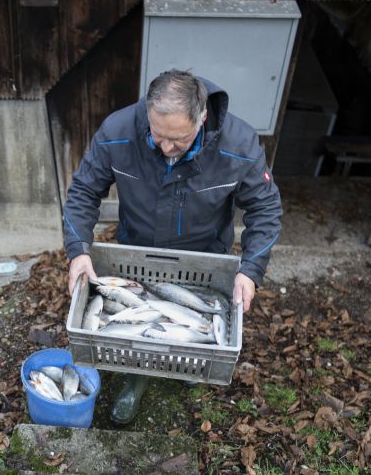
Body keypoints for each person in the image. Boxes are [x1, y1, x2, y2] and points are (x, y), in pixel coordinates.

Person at [63, 69, 282, 424]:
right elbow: (84, 191)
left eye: (178, 140)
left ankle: (190, 365)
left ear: (202, 118)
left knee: (197, 329)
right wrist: (78, 251)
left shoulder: (239, 145)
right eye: (157, 135)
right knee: (142, 334)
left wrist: (250, 270)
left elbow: (265, 207)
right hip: (137, 249)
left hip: (205, 255)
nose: (165, 148)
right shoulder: (118, 132)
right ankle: (137, 377)